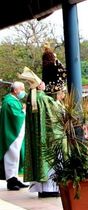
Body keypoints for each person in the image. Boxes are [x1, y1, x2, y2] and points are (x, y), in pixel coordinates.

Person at [23, 48, 67, 197]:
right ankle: (50, 189)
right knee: (50, 159)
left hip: (37, 137)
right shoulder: (44, 98)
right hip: (48, 137)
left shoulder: (31, 97)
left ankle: (42, 189)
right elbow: (57, 114)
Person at [0, 81, 28, 191]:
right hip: (11, 134)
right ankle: (11, 181)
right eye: (22, 89)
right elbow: (16, 116)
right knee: (11, 156)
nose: (23, 92)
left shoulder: (14, 100)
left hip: (16, 133)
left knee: (16, 156)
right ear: (15, 90)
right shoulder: (9, 101)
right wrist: (24, 111)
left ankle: (15, 178)